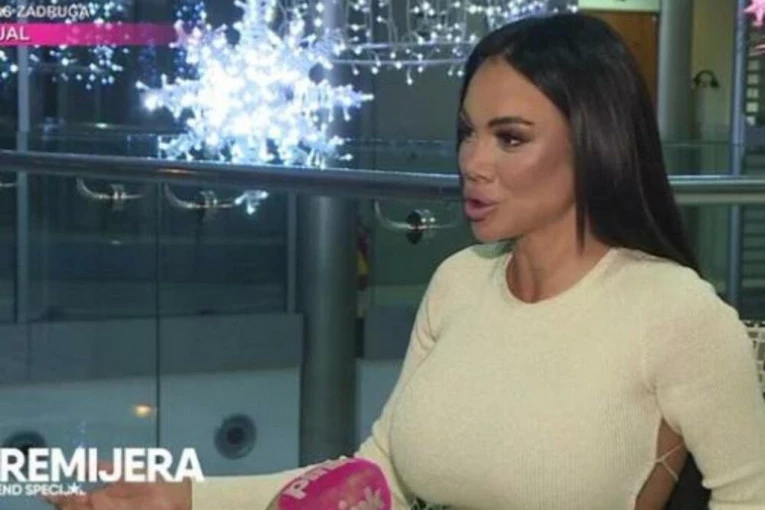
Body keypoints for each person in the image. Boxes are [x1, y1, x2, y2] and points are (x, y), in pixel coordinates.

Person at [46, 12, 765, 510]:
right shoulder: (459, 281)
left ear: (595, 142)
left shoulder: (673, 311)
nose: (473, 161)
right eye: (467, 132)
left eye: (510, 138)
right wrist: (184, 497)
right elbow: (376, 479)